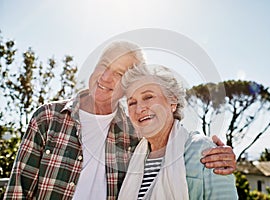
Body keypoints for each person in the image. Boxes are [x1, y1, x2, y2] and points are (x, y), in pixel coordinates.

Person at [4, 41, 236, 200]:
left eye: (119, 73)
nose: (105, 77)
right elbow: (17, 190)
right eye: (104, 66)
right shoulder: (48, 117)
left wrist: (222, 155)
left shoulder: (133, 132)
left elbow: (177, 142)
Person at [118, 64, 238, 199]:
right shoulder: (131, 157)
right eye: (132, 103)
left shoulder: (205, 150)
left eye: (148, 97)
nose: (139, 109)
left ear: (173, 101)